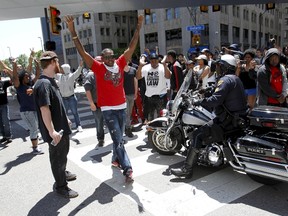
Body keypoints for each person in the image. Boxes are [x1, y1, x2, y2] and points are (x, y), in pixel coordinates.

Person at [65, 14, 144, 183]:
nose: (109, 59)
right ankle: (128, 168)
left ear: (114, 57)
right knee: (118, 138)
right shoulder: (98, 67)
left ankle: (116, 159)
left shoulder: (121, 63)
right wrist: (72, 30)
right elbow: (83, 52)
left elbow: (131, 46)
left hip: (122, 107)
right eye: (105, 56)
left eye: (111, 56)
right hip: (107, 110)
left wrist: (138, 26)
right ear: (102, 58)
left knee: (118, 138)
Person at [170, 54, 248, 179]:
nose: (218, 68)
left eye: (220, 66)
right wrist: (207, 90)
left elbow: (215, 100)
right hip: (236, 119)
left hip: (226, 122)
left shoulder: (225, 80)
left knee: (197, 135)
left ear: (225, 67)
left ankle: (187, 169)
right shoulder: (235, 79)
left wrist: (198, 102)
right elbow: (220, 91)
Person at [33, 51, 78, 198]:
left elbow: (57, 104)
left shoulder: (51, 81)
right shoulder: (43, 84)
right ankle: (61, 186)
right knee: (57, 157)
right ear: (52, 62)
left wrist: (66, 118)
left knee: (62, 154)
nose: (59, 65)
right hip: (56, 132)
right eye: (57, 62)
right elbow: (44, 108)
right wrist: (52, 131)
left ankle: (62, 173)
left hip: (61, 127)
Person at [11, 54, 44, 154]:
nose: (28, 78)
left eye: (28, 76)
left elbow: (38, 75)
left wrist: (37, 64)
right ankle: (35, 148)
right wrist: (14, 64)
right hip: (26, 111)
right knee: (33, 129)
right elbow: (15, 77)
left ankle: (36, 146)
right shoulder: (19, 86)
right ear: (21, 78)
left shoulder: (30, 84)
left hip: (33, 110)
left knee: (35, 128)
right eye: (26, 77)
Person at [136, 53, 171, 122]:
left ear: (158, 60)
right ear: (149, 61)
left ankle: (161, 131)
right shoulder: (146, 67)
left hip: (161, 96)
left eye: (155, 60)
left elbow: (168, 76)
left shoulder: (162, 67)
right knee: (149, 117)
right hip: (149, 96)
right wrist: (140, 66)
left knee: (162, 117)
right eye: (152, 61)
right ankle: (151, 129)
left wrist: (164, 64)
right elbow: (138, 77)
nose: (154, 62)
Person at [55, 62, 84, 132]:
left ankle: (78, 125)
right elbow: (52, 73)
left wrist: (80, 66)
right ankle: (66, 127)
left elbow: (78, 72)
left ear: (65, 69)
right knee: (64, 114)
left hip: (71, 98)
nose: (60, 70)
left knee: (75, 112)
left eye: (62, 69)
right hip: (63, 98)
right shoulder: (59, 76)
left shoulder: (71, 76)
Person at [84, 58, 105, 148]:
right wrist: (91, 103)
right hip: (97, 104)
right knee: (99, 122)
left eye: (101, 61)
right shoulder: (90, 75)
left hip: (107, 103)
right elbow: (87, 90)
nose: (100, 63)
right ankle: (100, 139)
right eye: (98, 61)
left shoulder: (105, 73)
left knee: (111, 122)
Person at [123, 61, 138, 137]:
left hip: (132, 93)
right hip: (124, 94)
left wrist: (136, 92)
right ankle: (128, 129)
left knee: (129, 112)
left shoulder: (133, 69)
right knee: (127, 112)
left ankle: (126, 126)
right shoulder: (120, 70)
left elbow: (135, 81)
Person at [0, 67, 13, 144]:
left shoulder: (3, 83)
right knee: (0, 122)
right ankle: (4, 136)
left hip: (4, 105)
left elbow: (12, 81)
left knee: (6, 120)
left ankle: (8, 136)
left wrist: (8, 73)